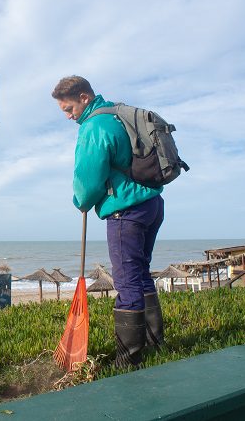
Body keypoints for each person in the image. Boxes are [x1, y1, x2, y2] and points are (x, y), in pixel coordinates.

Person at [52, 75, 165, 368]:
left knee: (127, 281)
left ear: (84, 98)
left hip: (124, 211)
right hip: (152, 204)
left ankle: (128, 359)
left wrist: (81, 201)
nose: (68, 116)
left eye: (69, 109)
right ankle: (156, 343)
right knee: (140, 273)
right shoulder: (117, 113)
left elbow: (88, 180)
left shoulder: (94, 126)